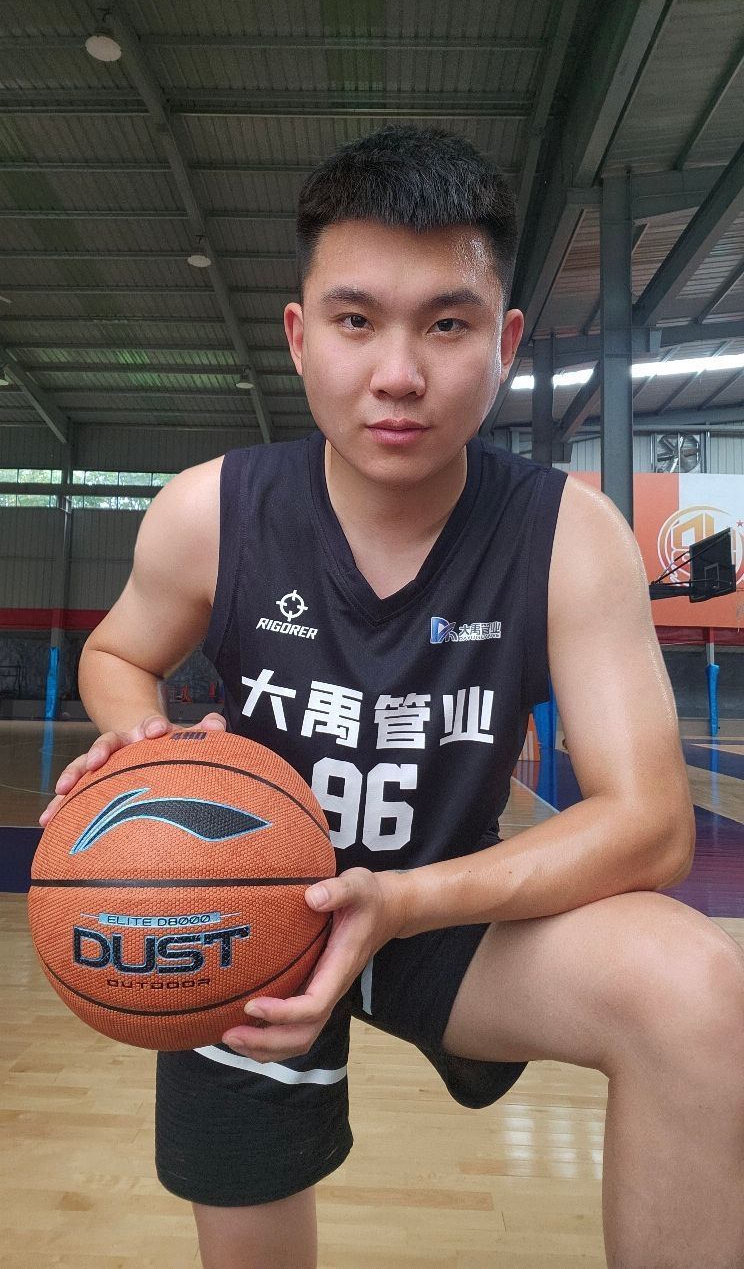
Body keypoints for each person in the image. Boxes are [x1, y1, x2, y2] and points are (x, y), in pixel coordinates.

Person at [41, 126, 744, 1269]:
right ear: (300, 335)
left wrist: (405, 900)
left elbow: (653, 821)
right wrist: (148, 742)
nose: (399, 373)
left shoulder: (570, 535)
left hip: (445, 911)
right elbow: (116, 653)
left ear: (506, 342)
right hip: (236, 914)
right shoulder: (208, 510)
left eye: (447, 324)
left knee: (696, 984)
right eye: (357, 320)